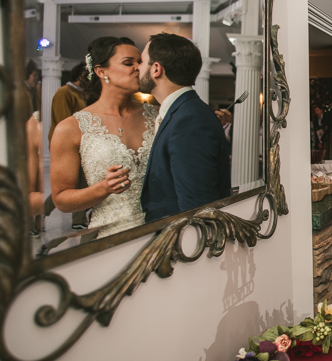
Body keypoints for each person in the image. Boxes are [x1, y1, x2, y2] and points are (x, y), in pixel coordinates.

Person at [50, 37, 157, 239]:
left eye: (140, 62)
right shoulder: (71, 128)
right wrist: (103, 188)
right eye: (128, 63)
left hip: (161, 233)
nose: (138, 68)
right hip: (108, 238)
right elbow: (61, 200)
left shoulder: (158, 116)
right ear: (101, 71)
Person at [140, 33, 231, 223]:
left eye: (142, 61)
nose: (137, 68)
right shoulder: (182, 111)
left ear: (156, 69)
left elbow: (196, 207)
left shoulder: (189, 120)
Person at [45, 62, 90, 229]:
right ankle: (41, 212)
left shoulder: (78, 93)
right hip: (66, 145)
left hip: (78, 144)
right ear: (79, 77)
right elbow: (64, 121)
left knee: (81, 182)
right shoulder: (64, 93)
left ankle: (78, 220)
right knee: (72, 185)